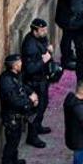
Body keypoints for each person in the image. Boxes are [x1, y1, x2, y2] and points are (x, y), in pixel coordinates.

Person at [20, 18, 55, 148]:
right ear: (35, 30)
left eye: (45, 29)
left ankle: (38, 126)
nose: (45, 32)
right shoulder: (30, 46)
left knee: (44, 104)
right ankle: (32, 136)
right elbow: (29, 69)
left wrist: (48, 50)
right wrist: (44, 60)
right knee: (36, 109)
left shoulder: (40, 39)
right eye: (42, 30)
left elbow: (44, 48)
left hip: (42, 78)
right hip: (34, 81)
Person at [0, 54, 37, 164]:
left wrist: (32, 94)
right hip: (11, 117)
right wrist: (30, 101)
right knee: (11, 142)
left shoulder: (15, 76)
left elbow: (22, 87)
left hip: (17, 116)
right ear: (14, 66)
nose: (22, 64)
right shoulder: (6, 81)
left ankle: (14, 160)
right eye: (19, 63)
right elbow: (13, 101)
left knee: (16, 141)